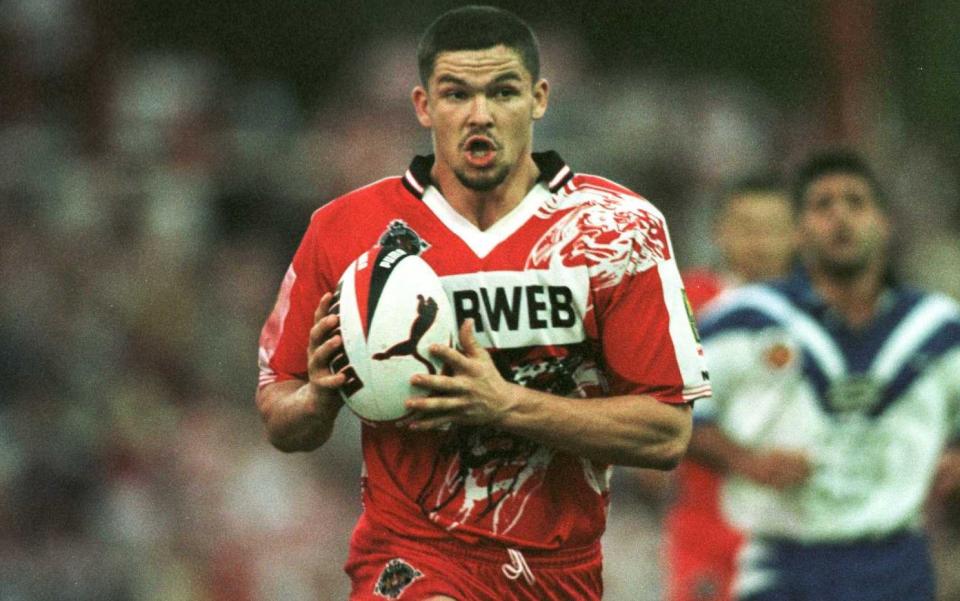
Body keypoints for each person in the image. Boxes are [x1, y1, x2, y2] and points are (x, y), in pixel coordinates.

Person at [255, 6, 710, 601]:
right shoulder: (344, 230)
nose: (480, 115)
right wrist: (317, 399)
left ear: (539, 99)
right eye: (456, 93)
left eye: (503, 91)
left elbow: (666, 434)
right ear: (423, 106)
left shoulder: (618, 231)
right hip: (412, 558)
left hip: (561, 570)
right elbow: (278, 413)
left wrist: (506, 404)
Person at [689, 149, 960, 601]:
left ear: (885, 222)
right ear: (797, 231)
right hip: (783, 563)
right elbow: (676, 412)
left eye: (856, 203)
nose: (841, 218)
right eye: (822, 205)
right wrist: (745, 460)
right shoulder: (741, 320)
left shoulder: (937, 328)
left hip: (898, 562)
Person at [663, 176, 796, 601]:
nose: (760, 242)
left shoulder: (818, 307)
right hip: (709, 522)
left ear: (796, 234)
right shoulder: (686, 299)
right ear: (720, 232)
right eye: (746, 227)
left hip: (797, 520)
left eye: (772, 228)